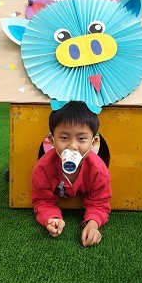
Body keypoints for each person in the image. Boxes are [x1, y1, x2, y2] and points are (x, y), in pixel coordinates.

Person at [32, 101, 111, 247]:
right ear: (52, 140)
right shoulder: (43, 168)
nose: (72, 146)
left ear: (93, 142)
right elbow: (42, 201)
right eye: (64, 138)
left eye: (81, 139)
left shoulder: (98, 170)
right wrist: (51, 217)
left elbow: (99, 203)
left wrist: (93, 224)